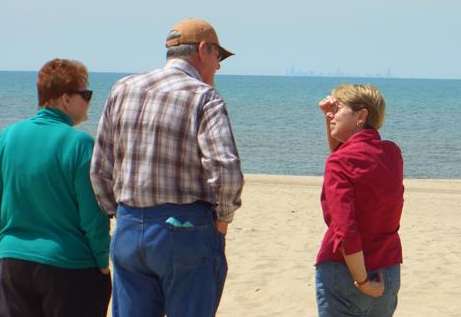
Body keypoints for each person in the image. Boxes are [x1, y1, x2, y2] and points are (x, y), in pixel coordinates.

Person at [90, 18, 244, 317]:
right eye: (218, 57)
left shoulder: (123, 88)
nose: (219, 66)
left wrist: (118, 211)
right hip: (184, 230)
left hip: (129, 227)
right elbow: (226, 170)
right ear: (203, 50)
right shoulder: (203, 96)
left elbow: (99, 168)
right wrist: (223, 218)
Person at [0, 58, 111, 317]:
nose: (89, 101)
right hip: (68, 266)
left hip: (12, 262)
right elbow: (92, 215)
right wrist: (102, 261)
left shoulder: (6, 138)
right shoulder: (80, 144)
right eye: (86, 94)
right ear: (64, 99)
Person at [315, 84, 404, 317]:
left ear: (362, 115)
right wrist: (329, 119)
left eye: (338, 108)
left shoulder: (339, 162)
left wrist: (362, 280)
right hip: (388, 267)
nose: (331, 114)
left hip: (344, 270)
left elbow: (346, 229)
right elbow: (350, 157)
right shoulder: (392, 153)